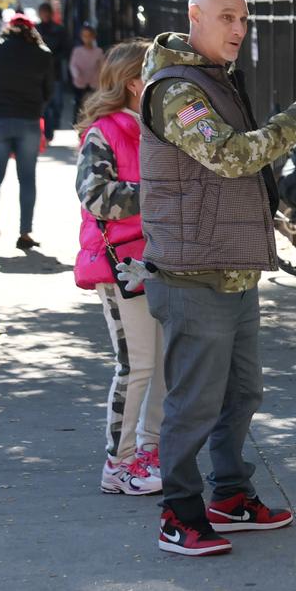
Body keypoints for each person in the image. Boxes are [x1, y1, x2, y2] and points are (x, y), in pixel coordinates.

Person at [118, 0, 296, 556]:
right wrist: (295, 123)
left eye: (242, 18)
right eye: (226, 17)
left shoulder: (215, 79)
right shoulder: (176, 89)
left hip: (231, 268)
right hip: (192, 273)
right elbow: (230, 157)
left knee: (241, 393)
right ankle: (178, 513)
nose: (238, 28)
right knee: (193, 402)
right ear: (195, 16)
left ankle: (230, 495)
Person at [73, 39, 164, 496]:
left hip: (162, 261)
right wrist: (159, 190)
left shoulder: (164, 126)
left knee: (164, 363)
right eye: (157, 73)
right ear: (134, 83)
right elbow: (95, 196)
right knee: (138, 365)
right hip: (121, 264)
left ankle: (149, 451)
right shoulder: (104, 131)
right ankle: (119, 462)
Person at [0, 13, 54, 253]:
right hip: (28, 121)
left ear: (7, 29)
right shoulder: (42, 54)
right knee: (27, 179)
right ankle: (25, 233)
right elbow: (49, 91)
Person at [35, 2, 67, 142]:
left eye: (47, 12)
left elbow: (66, 49)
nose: (45, 15)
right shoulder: (35, 30)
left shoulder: (59, 30)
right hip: (40, 72)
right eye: (43, 12)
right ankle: (48, 131)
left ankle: (53, 125)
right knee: (46, 104)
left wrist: (54, 58)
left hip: (55, 71)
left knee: (57, 103)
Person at [69, 24, 104, 123]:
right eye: (84, 36)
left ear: (93, 37)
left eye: (89, 36)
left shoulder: (98, 52)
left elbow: (103, 67)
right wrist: (76, 74)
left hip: (94, 84)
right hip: (80, 83)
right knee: (79, 104)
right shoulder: (77, 51)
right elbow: (73, 65)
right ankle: (78, 124)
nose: (87, 38)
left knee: (94, 105)